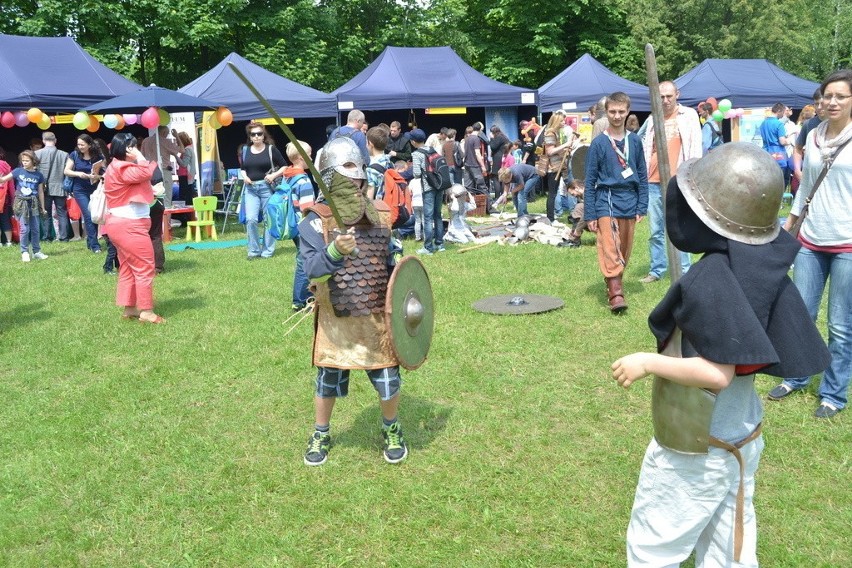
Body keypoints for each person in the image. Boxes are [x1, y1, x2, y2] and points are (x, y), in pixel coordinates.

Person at [612, 142, 829, 567]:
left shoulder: (714, 278)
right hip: (742, 437)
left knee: (653, 547)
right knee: (729, 550)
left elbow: (717, 373)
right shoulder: (761, 268)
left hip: (697, 448)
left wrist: (646, 361)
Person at [299, 136, 407, 466]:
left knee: (388, 381)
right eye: (348, 172)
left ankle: (392, 428)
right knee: (327, 383)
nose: (356, 179)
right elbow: (311, 271)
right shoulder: (315, 220)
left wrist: (399, 261)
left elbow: (390, 262)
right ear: (329, 176)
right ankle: (321, 432)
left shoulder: (383, 215)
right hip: (336, 320)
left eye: (359, 173)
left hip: (376, 316)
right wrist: (334, 251)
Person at [768, 69, 852, 419]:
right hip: (810, 238)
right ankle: (797, 375)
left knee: (840, 326)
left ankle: (833, 393)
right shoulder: (814, 134)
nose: (831, 102)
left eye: (840, 97)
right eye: (827, 96)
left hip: (847, 243)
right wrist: (789, 229)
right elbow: (805, 187)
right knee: (800, 313)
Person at [584, 91, 648, 313]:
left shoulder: (635, 141)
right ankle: (616, 294)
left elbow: (642, 173)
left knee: (624, 248)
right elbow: (590, 179)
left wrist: (642, 205)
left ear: (628, 111)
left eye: (621, 111)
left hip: (630, 199)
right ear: (606, 112)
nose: (617, 116)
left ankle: (612, 281)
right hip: (606, 199)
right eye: (613, 111)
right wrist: (590, 213)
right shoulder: (599, 143)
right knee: (610, 245)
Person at [639, 81, 701, 284]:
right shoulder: (651, 119)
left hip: (678, 181)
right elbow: (643, 145)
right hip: (653, 181)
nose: (665, 100)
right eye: (661, 97)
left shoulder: (689, 116)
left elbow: (695, 148)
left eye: (669, 96)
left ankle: (684, 270)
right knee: (655, 230)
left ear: (677, 95)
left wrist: (692, 177)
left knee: (679, 227)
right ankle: (657, 270)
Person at [103, 133, 163, 324]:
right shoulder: (122, 167)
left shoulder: (116, 166)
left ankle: (129, 308)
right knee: (145, 267)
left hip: (122, 224)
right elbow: (146, 173)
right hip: (129, 225)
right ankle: (146, 311)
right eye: (132, 146)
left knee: (128, 268)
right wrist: (140, 156)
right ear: (125, 149)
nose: (136, 148)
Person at [240, 121, 287, 260]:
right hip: (250, 188)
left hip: (267, 187)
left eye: (259, 134)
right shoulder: (245, 150)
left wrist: (273, 175)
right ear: (250, 136)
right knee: (251, 219)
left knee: (268, 220)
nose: (256, 137)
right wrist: (245, 177)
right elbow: (242, 168)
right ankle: (254, 251)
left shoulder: (270, 149)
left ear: (263, 135)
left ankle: (267, 251)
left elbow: (284, 166)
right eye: (253, 134)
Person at [283, 139, 315, 311]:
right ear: (302, 158)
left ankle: (305, 297)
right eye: (309, 155)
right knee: (305, 261)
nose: (311, 157)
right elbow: (307, 208)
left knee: (303, 259)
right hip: (303, 226)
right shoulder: (303, 181)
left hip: (293, 225)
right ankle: (301, 299)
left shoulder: (288, 176)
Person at [0, 150, 48, 262]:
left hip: (34, 203)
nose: (24, 162)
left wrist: (43, 207)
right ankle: (24, 251)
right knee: (25, 229)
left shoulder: (39, 175)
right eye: (23, 160)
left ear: (33, 161)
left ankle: (36, 251)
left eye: (27, 160)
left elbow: (40, 192)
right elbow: (4, 179)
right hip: (21, 203)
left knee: (36, 229)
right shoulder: (18, 171)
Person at [64, 133, 104, 252]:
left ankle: (90, 241)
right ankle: (95, 246)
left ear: (89, 144)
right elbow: (66, 171)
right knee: (88, 215)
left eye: (82, 144)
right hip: (79, 189)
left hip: (94, 188)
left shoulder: (97, 156)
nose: (80, 147)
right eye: (78, 144)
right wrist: (78, 174)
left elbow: (103, 172)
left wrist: (97, 176)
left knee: (95, 215)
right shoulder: (74, 155)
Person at [411, 128, 444, 255]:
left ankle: (428, 248)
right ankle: (440, 244)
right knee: (438, 215)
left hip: (428, 187)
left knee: (428, 218)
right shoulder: (432, 149)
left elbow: (417, 174)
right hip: (439, 186)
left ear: (413, 142)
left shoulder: (416, 154)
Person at [34, 132, 69, 241]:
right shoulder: (64, 154)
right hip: (60, 187)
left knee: (46, 212)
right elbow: (67, 172)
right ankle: (64, 237)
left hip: (43, 188)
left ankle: (47, 237)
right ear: (55, 140)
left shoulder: (36, 153)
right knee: (61, 213)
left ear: (43, 141)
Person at [542, 111, 574, 222]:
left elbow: (555, 151)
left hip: (558, 166)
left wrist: (565, 149)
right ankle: (550, 218)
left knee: (556, 192)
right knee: (552, 193)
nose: (563, 122)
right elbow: (550, 152)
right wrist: (566, 144)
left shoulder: (554, 133)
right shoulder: (550, 133)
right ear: (556, 121)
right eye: (561, 120)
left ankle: (555, 216)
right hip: (553, 167)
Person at [140, 126, 183, 206]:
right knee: (166, 193)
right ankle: (166, 214)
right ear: (164, 133)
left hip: (150, 170)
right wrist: (177, 136)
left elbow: (142, 156)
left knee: (153, 193)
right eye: (167, 134)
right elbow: (181, 150)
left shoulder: (145, 141)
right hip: (164, 170)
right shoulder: (165, 142)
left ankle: (154, 212)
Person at [759, 103, 791, 189]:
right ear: (779, 111)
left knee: (768, 180)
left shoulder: (763, 123)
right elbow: (782, 141)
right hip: (778, 154)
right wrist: (789, 141)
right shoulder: (779, 124)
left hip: (765, 152)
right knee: (781, 180)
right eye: (783, 112)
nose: (783, 114)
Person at [462, 122, 491, 211]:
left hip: (467, 165)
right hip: (475, 165)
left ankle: (469, 209)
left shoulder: (467, 139)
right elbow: (477, 153)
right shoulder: (476, 139)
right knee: (482, 187)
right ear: (480, 130)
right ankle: (488, 208)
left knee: (468, 188)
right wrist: (482, 166)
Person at [0, 146, 14, 246]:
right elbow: (11, 183)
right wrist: (13, 197)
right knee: (5, 219)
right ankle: (9, 242)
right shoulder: (5, 164)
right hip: (4, 196)